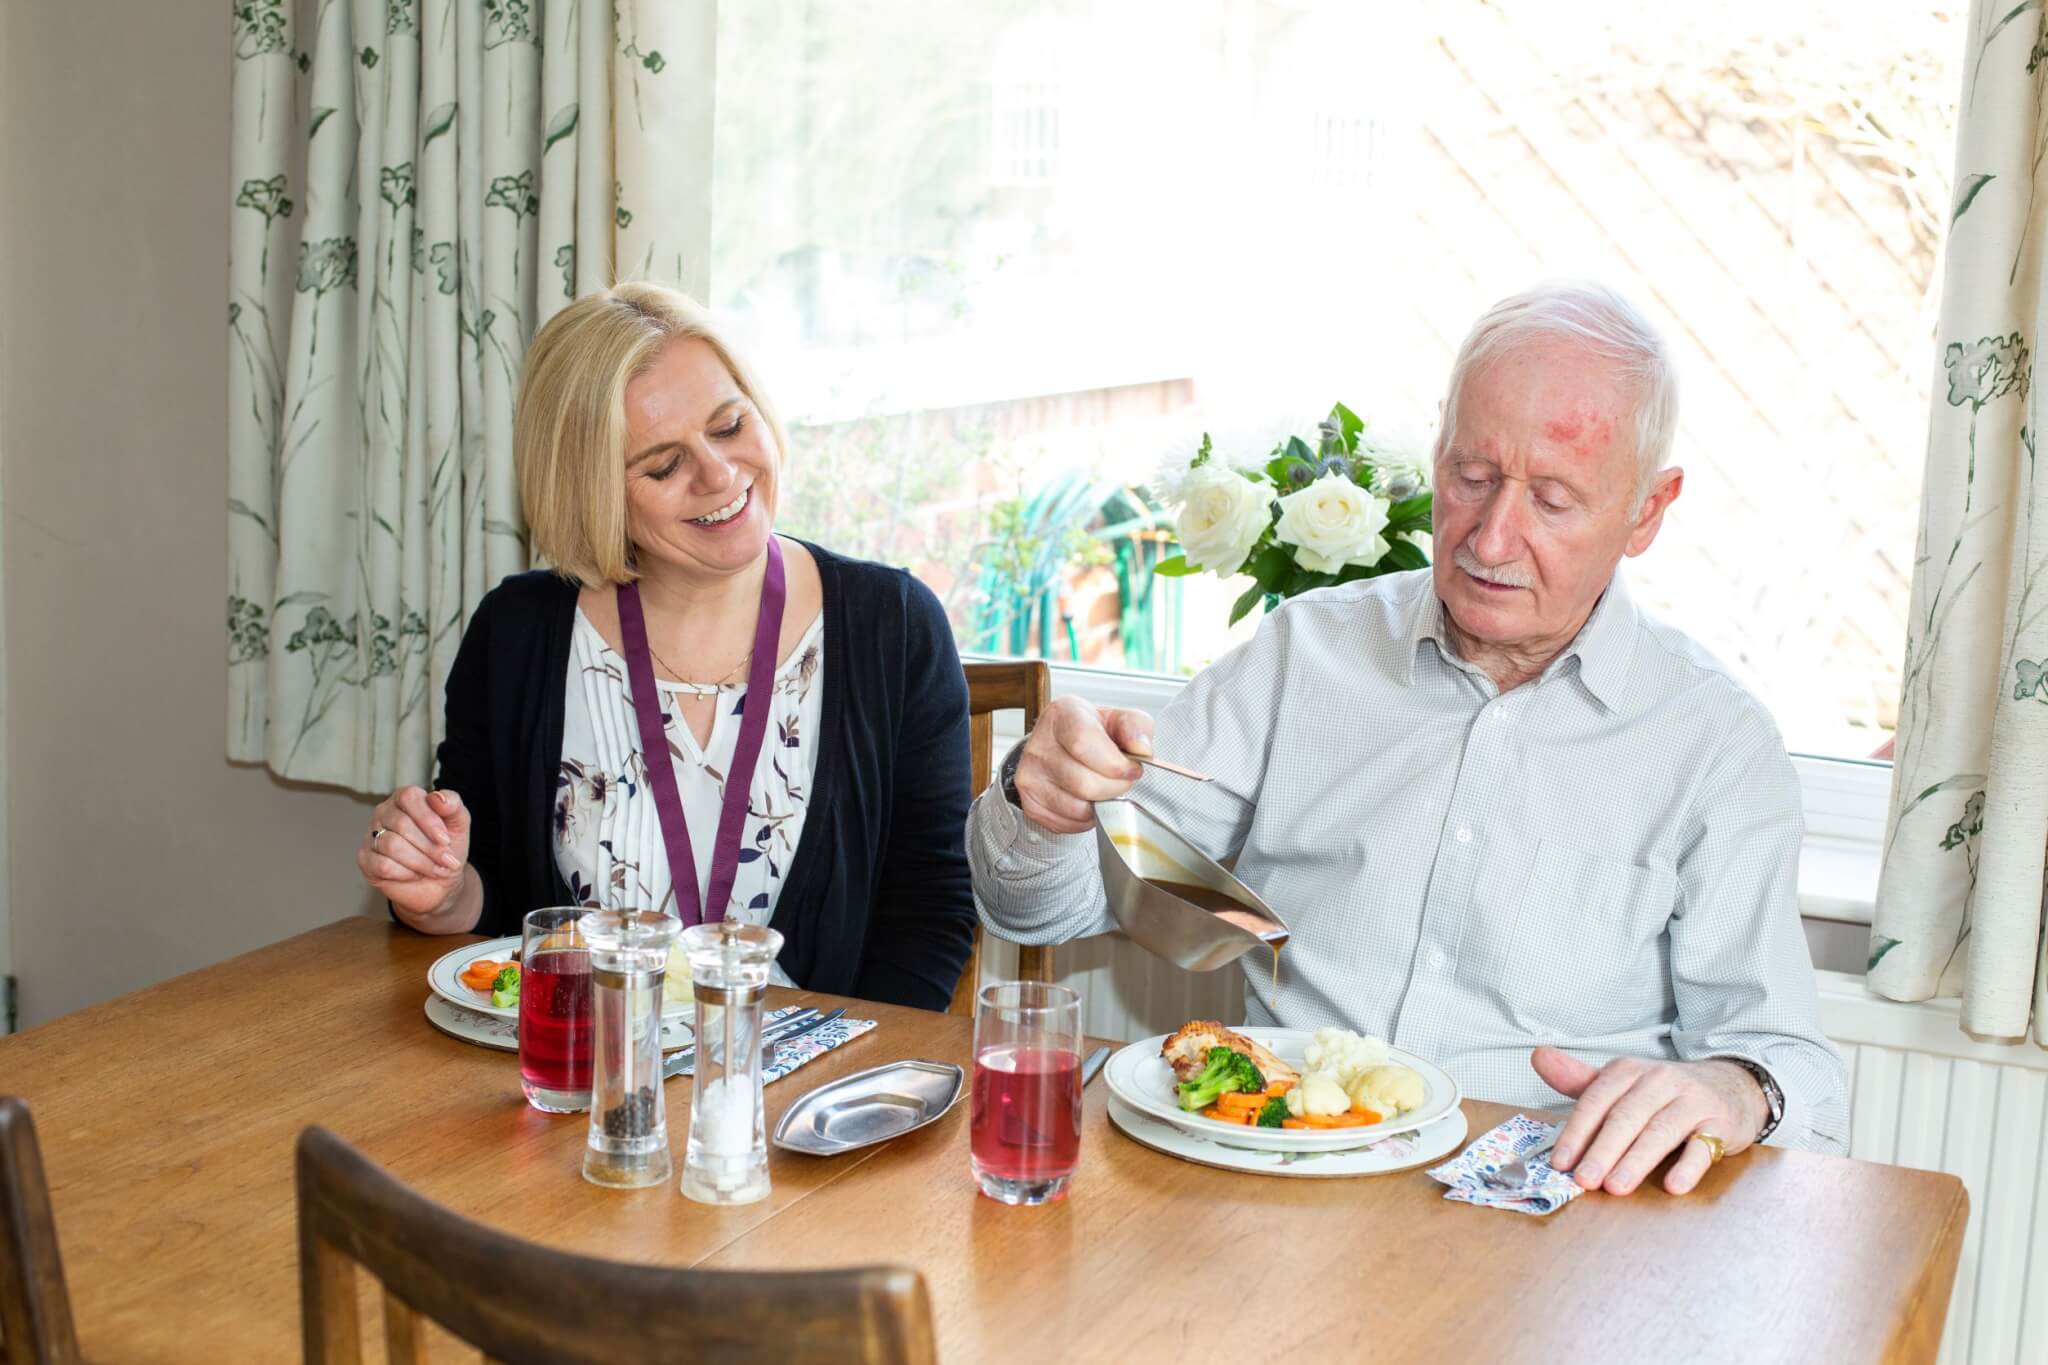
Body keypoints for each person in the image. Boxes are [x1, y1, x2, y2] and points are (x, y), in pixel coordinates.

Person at [968, 280, 1848, 1192]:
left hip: (1548, 1220)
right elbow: (1039, 911)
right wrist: (1039, 807)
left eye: (1552, 499)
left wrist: (1737, 1090)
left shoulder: (1714, 742)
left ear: (1648, 510)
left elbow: (1795, 1070)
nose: (1491, 537)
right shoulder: (1305, 653)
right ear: (1437, 449)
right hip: (1279, 1186)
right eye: (1471, 476)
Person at [355, 283, 976, 1010]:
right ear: (594, 494)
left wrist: (829, 1085)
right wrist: (440, 892)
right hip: (583, 1087)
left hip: (806, 1098)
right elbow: (490, 909)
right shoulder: (517, 634)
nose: (719, 473)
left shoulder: (894, 626)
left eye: (729, 424)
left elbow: (930, 914)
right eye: (662, 465)